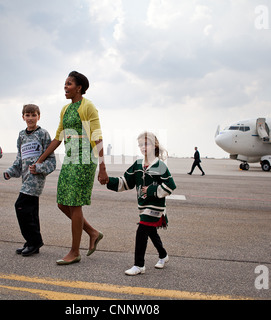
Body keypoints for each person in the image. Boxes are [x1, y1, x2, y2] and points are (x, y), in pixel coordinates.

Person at [34, 71, 107, 265]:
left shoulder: (88, 106)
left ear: (79, 87)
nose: (65, 87)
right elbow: (58, 137)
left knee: (75, 204)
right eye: (65, 84)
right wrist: (40, 159)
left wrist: (102, 167)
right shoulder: (65, 110)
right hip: (70, 159)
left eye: (69, 84)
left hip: (84, 160)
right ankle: (92, 232)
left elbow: (97, 136)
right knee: (62, 203)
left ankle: (75, 252)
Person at [105, 132, 176, 275]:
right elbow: (125, 182)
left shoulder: (160, 166)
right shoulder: (137, 165)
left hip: (156, 207)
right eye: (140, 145)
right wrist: (108, 181)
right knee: (151, 231)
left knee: (142, 230)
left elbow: (170, 186)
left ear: (153, 145)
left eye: (146, 144)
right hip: (143, 207)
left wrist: (151, 190)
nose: (143, 147)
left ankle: (139, 265)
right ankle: (163, 255)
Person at [4, 104, 56, 256]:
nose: (30, 118)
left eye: (33, 115)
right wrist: (10, 172)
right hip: (24, 178)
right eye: (27, 115)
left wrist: (39, 168)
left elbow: (51, 162)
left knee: (21, 206)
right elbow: (19, 160)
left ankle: (34, 241)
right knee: (31, 212)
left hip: (35, 180)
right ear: (23, 117)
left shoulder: (43, 134)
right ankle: (32, 242)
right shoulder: (21, 135)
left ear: (38, 116)